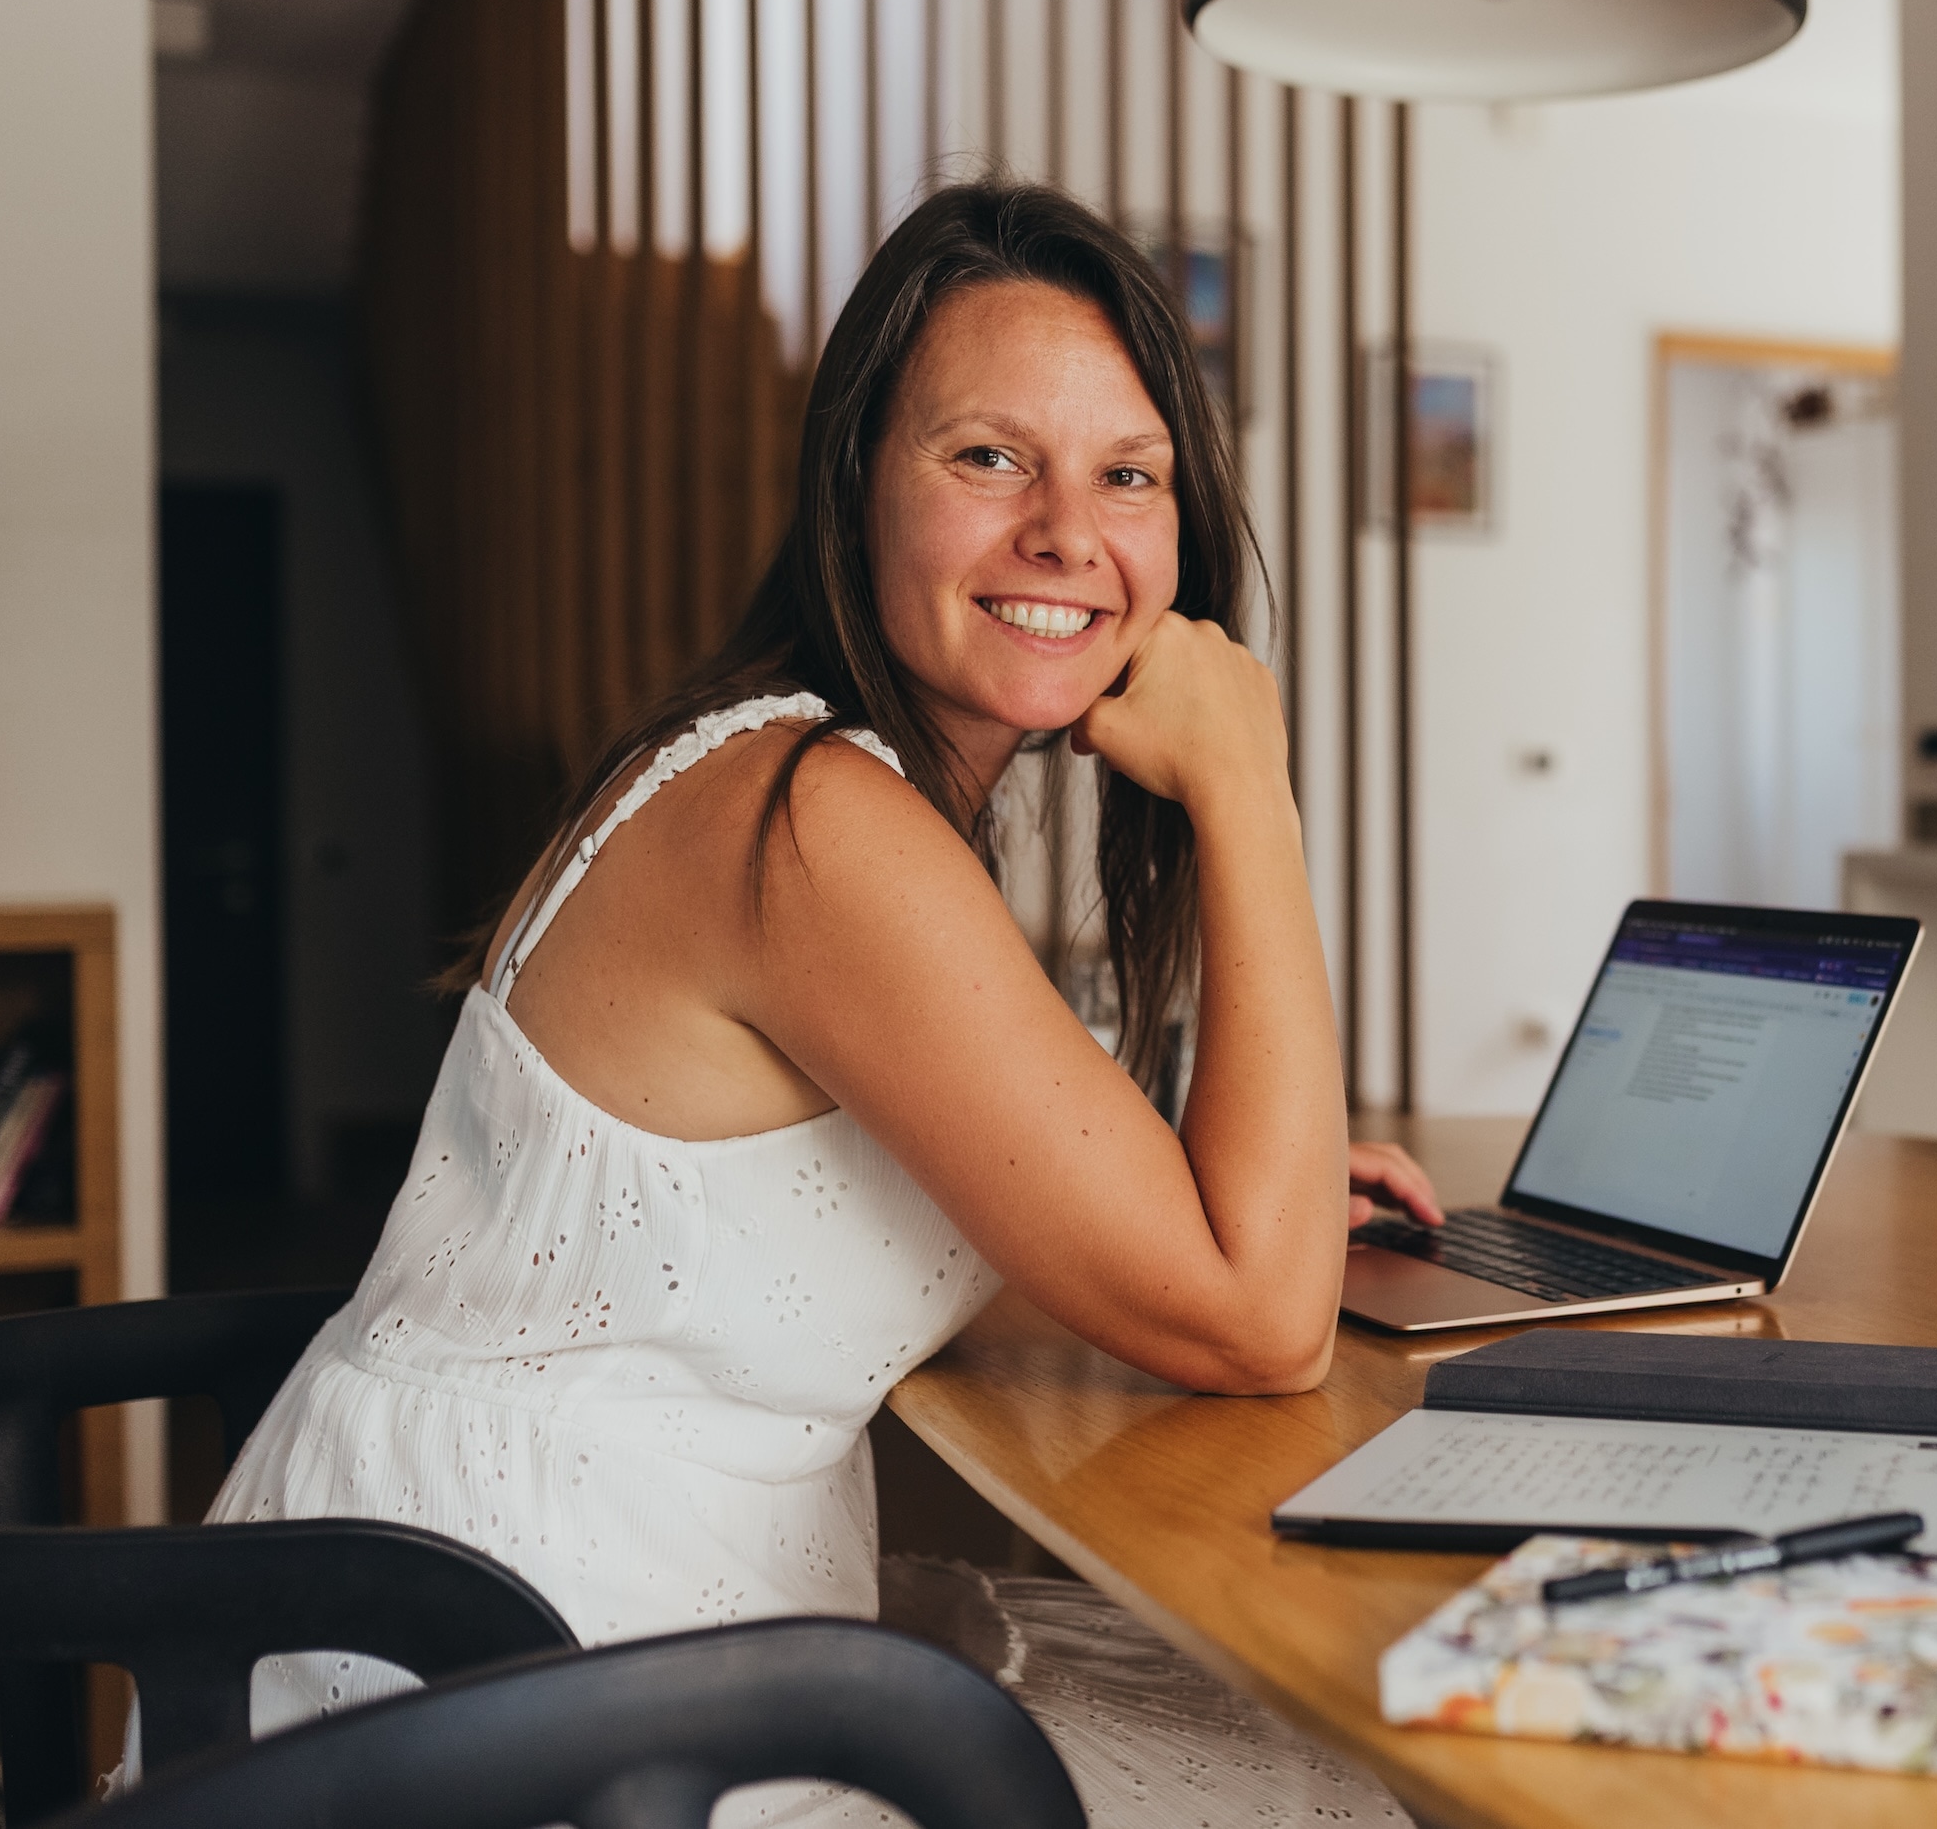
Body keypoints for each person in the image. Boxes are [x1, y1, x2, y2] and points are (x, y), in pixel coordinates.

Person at [201, 178, 1437, 1823]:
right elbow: (1259, 1324)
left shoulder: (798, 778)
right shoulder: (817, 822)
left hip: (512, 1626)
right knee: (1333, 1780)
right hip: (513, 1695)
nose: (1068, 533)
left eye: (1126, 474)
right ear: (858, 478)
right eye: (989, 456)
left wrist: (1211, 1204)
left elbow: (848, 1233)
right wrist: (1249, 787)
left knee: (1263, 1732)